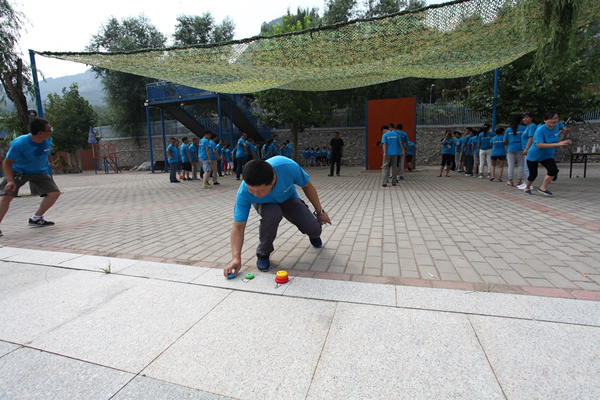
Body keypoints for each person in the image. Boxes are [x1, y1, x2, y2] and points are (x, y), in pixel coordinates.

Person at [223, 156, 332, 275]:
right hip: (266, 204)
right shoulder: (244, 192)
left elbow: (307, 186)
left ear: (273, 179)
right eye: (251, 190)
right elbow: (238, 227)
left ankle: (313, 235)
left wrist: (320, 212)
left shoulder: (288, 167)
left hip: (288, 198)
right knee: (273, 213)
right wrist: (236, 258)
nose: (255, 194)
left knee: (314, 229)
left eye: (260, 190)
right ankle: (263, 254)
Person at [0, 118, 60, 236]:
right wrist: (10, 181)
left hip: (39, 172)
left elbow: (47, 149)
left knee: (54, 193)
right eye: (49, 129)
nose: (51, 131)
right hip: (18, 172)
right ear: (40, 133)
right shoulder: (20, 143)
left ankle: (36, 218)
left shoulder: (48, 138)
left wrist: (50, 162)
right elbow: (7, 163)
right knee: (6, 197)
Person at [524, 110, 571, 196]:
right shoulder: (540, 130)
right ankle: (527, 187)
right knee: (533, 174)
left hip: (547, 155)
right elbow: (539, 145)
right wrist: (557, 144)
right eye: (551, 119)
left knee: (553, 170)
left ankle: (543, 188)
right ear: (545, 120)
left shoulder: (556, 127)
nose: (553, 120)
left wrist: (561, 141)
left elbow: (556, 137)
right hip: (534, 155)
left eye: (555, 118)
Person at [504, 115, 525, 187]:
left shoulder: (509, 129)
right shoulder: (524, 128)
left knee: (511, 165)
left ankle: (510, 181)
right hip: (520, 147)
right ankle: (519, 180)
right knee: (521, 165)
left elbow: (504, 140)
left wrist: (509, 143)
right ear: (521, 120)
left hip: (511, 148)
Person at [519, 111, 536, 190]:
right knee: (526, 167)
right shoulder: (527, 127)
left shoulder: (532, 126)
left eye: (527, 117)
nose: (525, 119)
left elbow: (531, 138)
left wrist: (526, 148)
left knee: (528, 167)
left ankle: (529, 184)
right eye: (523, 118)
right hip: (526, 148)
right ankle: (526, 182)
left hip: (529, 149)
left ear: (531, 118)